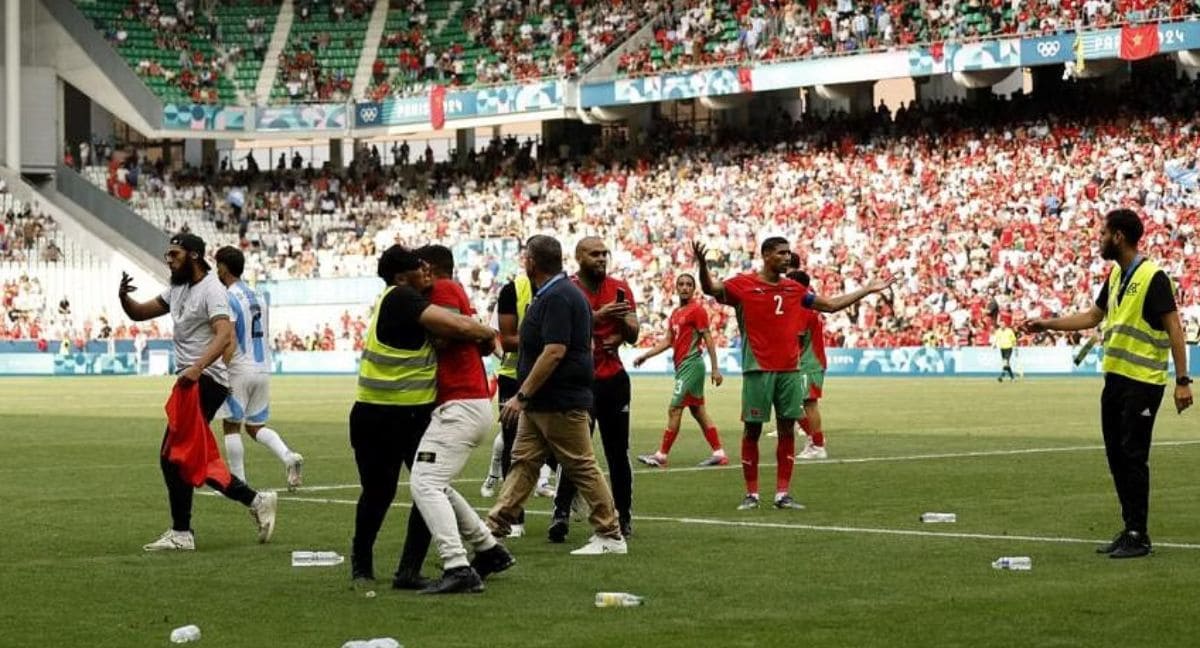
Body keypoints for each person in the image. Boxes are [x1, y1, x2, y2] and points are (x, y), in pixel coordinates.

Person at [1023, 209, 1193, 559]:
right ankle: (1129, 528)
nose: (1099, 239)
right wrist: (1047, 324)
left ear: (1118, 236)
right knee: (1117, 456)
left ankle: (1138, 534)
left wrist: (1182, 380)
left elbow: (1175, 328)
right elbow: (1093, 316)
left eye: (1103, 233)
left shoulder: (1153, 276)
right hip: (1115, 381)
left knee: (1133, 456)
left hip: (1143, 382)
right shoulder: (1116, 275)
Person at [693, 237, 892, 511]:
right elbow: (710, 288)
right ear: (765, 255)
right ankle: (751, 494)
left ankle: (782, 494)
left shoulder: (795, 289)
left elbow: (831, 305)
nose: (788, 258)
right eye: (781, 253)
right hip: (757, 370)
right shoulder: (743, 285)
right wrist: (702, 265)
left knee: (787, 429)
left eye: (789, 253)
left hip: (790, 370)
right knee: (752, 431)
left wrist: (867, 290)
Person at [349, 245, 497, 590]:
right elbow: (458, 326)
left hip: (409, 414)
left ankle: (404, 570)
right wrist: (487, 334)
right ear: (402, 278)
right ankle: (366, 565)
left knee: (423, 488)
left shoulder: (408, 298)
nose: (426, 271)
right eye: (419, 267)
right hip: (380, 416)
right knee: (383, 491)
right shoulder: (400, 297)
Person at [119, 233, 277, 551]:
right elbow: (139, 313)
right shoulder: (177, 289)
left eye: (174, 254)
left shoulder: (213, 290)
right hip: (192, 381)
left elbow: (224, 334)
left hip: (206, 381)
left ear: (193, 255)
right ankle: (255, 500)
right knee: (187, 458)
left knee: (172, 456)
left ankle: (183, 532)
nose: (169, 259)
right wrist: (123, 297)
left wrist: (198, 366)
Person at [487, 235, 628, 556]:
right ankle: (495, 527)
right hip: (545, 402)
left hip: (558, 400)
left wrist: (521, 396)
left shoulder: (558, 297)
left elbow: (554, 351)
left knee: (581, 465)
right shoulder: (557, 294)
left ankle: (610, 534)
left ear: (531, 262)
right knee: (523, 463)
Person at [409, 245, 515, 594]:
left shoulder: (443, 289)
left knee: (424, 483)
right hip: (465, 400)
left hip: (460, 403)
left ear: (429, 267)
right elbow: (478, 338)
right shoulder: (452, 292)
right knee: (436, 482)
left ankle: (457, 565)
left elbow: (448, 334)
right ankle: (489, 550)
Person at [550, 237, 639, 542]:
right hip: (579, 381)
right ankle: (560, 514)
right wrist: (600, 316)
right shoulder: (567, 289)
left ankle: (624, 516)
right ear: (578, 257)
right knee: (575, 452)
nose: (601, 258)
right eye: (594, 254)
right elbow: (565, 331)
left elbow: (635, 333)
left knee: (618, 452)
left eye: (605, 253)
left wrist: (623, 326)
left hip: (613, 379)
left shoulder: (620, 287)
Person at [212, 247, 304, 490]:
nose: (216, 270)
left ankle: (238, 483)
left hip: (240, 369)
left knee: (231, 425)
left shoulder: (228, 298)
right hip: (263, 367)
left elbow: (230, 337)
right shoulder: (259, 297)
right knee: (255, 427)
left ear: (223, 267)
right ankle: (288, 456)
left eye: (217, 265)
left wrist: (222, 367)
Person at [632, 273, 727, 468]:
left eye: (688, 284)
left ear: (693, 289)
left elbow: (708, 338)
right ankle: (719, 453)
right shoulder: (675, 313)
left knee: (674, 408)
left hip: (691, 365)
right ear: (676, 287)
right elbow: (668, 341)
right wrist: (645, 355)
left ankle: (661, 455)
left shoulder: (697, 310)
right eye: (681, 284)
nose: (684, 287)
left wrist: (715, 368)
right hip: (683, 367)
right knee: (698, 411)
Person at [787, 269, 830, 460]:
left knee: (806, 404)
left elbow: (797, 339)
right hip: (810, 362)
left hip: (808, 363)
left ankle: (817, 444)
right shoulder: (809, 306)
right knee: (797, 404)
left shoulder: (802, 308)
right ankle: (815, 441)